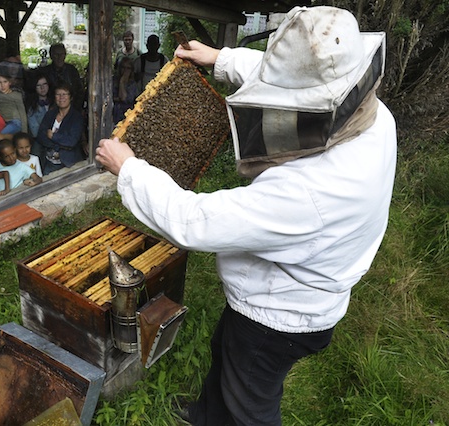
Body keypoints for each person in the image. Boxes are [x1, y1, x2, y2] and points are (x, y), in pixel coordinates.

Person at [95, 6, 396, 425]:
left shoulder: (307, 193)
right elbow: (299, 77)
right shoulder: (377, 118)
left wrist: (129, 169)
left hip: (280, 318)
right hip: (299, 294)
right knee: (226, 352)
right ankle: (205, 415)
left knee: (250, 405)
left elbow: (193, 220)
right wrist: (222, 58)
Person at [36, 82, 85, 174]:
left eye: (64, 94)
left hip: (68, 162)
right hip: (49, 162)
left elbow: (71, 141)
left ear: (70, 97)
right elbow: (41, 136)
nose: (61, 97)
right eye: (58, 94)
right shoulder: (50, 114)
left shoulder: (76, 117)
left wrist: (53, 136)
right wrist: (57, 146)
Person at [39, 43, 85, 112]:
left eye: (62, 54)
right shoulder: (45, 72)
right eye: (56, 54)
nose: (59, 57)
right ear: (51, 55)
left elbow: (79, 91)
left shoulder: (71, 70)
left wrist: (75, 108)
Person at [26, 73, 53, 142]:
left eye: (44, 84)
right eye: (38, 85)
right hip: (40, 140)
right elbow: (35, 131)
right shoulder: (32, 106)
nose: (42, 88)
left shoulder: (56, 102)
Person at [112, 57, 139, 124]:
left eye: (128, 68)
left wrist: (122, 82)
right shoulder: (112, 81)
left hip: (126, 116)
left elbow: (124, 98)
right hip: (113, 115)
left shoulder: (132, 84)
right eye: (123, 67)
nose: (125, 70)